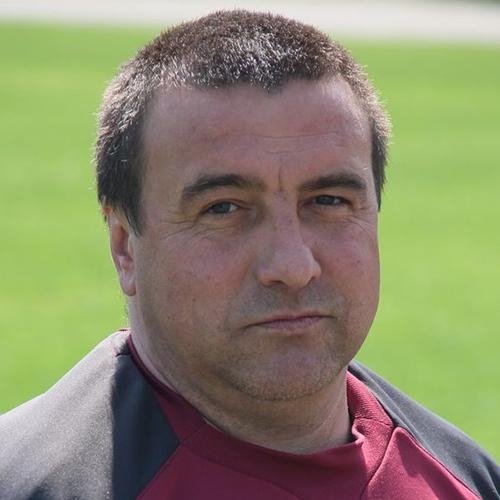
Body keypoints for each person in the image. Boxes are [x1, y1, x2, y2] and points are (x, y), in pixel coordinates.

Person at [0, 9, 498, 499]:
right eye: (223, 208)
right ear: (124, 246)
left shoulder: (467, 481)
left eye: (328, 201)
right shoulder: (28, 485)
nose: (293, 267)